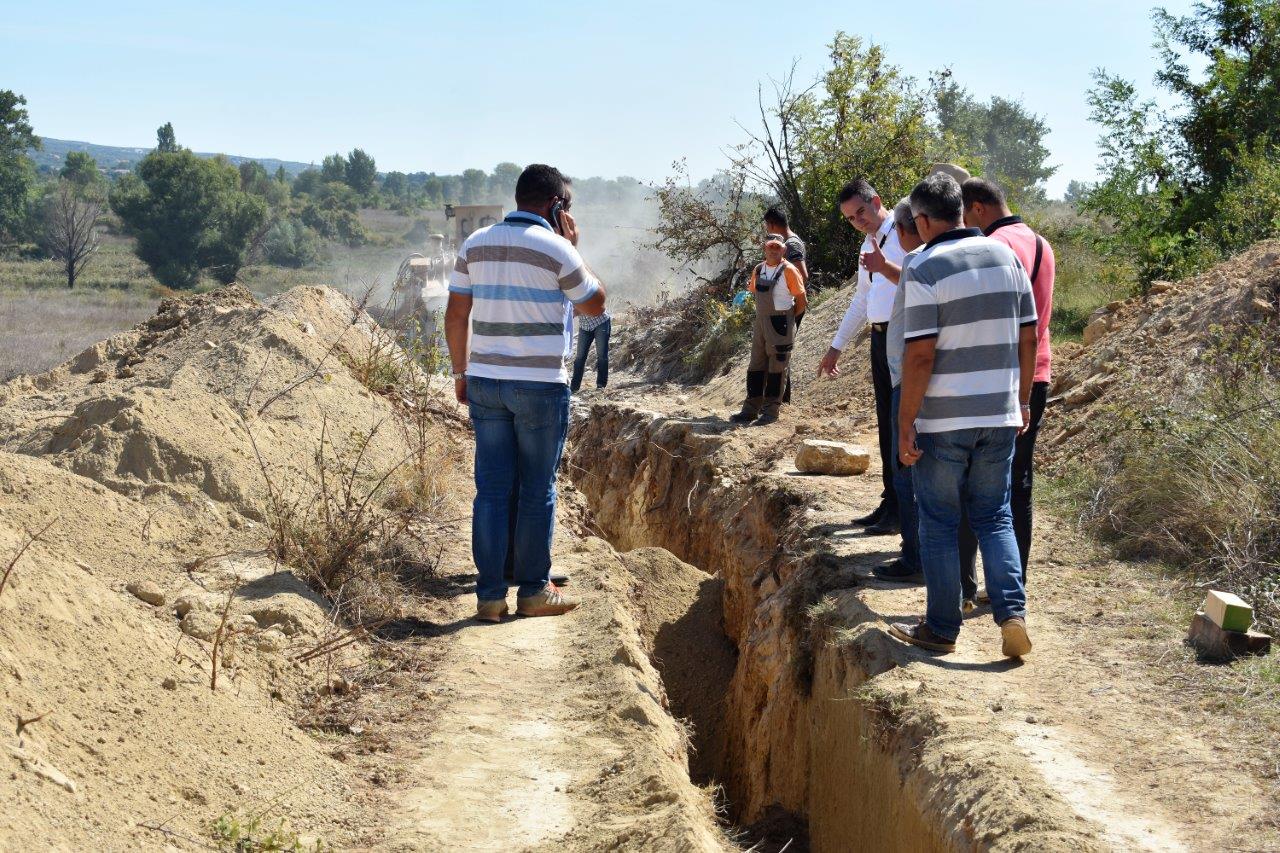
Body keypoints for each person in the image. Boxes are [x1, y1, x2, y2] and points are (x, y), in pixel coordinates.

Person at [445, 164, 606, 623]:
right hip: (539, 387)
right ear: (555, 206)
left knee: (491, 490)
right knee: (537, 489)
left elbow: (456, 316)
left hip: (485, 384)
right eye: (566, 206)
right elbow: (595, 303)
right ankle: (534, 590)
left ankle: (490, 597)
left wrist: (462, 372)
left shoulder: (475, 245)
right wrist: (574, 247)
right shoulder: (558, 248)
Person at [890, 173, 1037, 658]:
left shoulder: (924, 266)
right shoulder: (1007, 257)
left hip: (943, 421)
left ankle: (942, 627)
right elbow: (1028, 337)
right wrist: (1020, 402)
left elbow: (919, 356)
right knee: (995, 515)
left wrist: (905, 420)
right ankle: (1011, 614)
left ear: (925, 220)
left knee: (938, 520)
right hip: (999, 414)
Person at [957, 178, 1056, 607]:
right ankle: (1014, 585)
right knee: (1020, 483)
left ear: (977, 209)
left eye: (963, 215)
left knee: (972, 482)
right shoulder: (1041, 244)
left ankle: (965, 584)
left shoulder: (995, 248)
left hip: (995, 378)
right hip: (1035, 375)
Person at [818, 179, 907, 536]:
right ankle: (891, 501)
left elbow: (917, 283)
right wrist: (836, 345)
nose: (859, 221)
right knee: (886, 423)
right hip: (879, 339)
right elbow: (861, 298)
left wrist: (884, 265)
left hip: (902, 336)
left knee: (900, 423)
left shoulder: (902, 235)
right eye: (851, 218)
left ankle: (902, 508)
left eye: (861, 212)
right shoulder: (867, 243)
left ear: (876, 202)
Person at [870, 198, 925, 582]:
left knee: (907, 464)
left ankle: (915, 558)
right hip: (907, 373)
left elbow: (920, 339)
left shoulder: (920, 263)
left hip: (911, 377)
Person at [729, 235, 807, 426]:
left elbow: (802, 300)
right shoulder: (758, 269)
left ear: (784, 250)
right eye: (769, 247)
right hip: (761, 324)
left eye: (777, 247)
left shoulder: (789, 270)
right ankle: (750, 410)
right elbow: (754, 292)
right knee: (756, 366)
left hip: (781, 324)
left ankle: (771, 412)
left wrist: (788, 320)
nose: (773, 250)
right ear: (764, 249)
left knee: (777, 369)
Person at [570, 307, 611, 393]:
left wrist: (576, 311)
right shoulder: (568, 296)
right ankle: (574, 387)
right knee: (580, 357)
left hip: (600, 322)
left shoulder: (584, 293)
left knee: (602, 355)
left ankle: (601, 385)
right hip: (584, 326)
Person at [763, 206, 809, 282]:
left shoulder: (791, 244)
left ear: (772, 225)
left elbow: (803, 276)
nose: (767, 228)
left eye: (767, 225)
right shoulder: (787, 241)